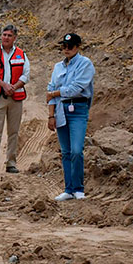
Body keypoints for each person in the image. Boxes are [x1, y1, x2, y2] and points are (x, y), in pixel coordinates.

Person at [46, 33, 95, 202]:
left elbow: (76, 88)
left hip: (78, 109)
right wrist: (50, 115)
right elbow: (50, 90)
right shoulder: (58, 67)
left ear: (78, 46)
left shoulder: (85, 64)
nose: (66, 49)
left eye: (70, 46)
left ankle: (78, 188)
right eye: (64, 46)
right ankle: (69, 189)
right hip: (60, 108)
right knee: (66, 152)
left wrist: (55, 93)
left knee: (76, 150)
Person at [0, 25, 30, 176]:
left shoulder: (21, 54)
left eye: (9, 35)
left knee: (13, 132)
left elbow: (26, 74)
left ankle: (11, 163)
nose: (6, 37)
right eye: (4, 35)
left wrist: (13, 87)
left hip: (15, 98)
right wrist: (3, 85)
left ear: (15, 38)